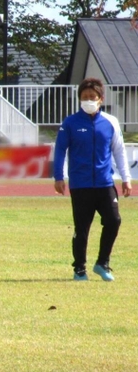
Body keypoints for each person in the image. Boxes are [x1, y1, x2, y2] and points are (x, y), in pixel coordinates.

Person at [54, 77, 132, 282]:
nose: (88, 100)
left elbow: (119, 151)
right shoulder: (70, 123)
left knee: (114, 221)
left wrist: (126, 178)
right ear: (80, 99)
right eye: (85, 97)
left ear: (100, 99)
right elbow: (60, 150)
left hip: (105, 183)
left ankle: (102, 263)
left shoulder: (110, 122)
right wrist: (58, 176)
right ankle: (79, 269)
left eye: (92, 97)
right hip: (80, 185)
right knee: (82, 228)